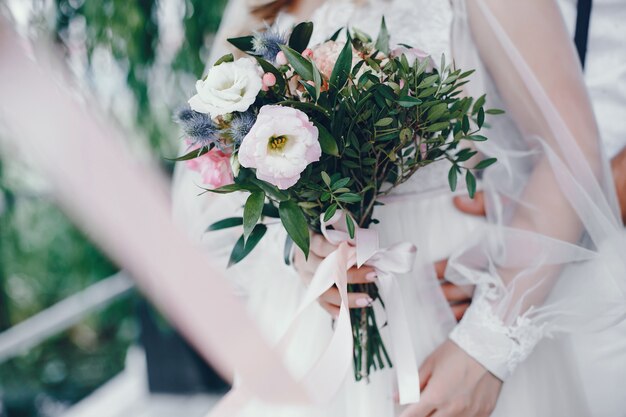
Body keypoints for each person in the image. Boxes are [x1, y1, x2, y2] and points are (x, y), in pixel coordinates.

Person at [171, 0, 626, 416]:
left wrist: (487, 348)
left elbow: (572, 153)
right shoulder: (256, 8)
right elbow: (213, 186)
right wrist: (298, 252)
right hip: (313, 328)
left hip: (455, 319)